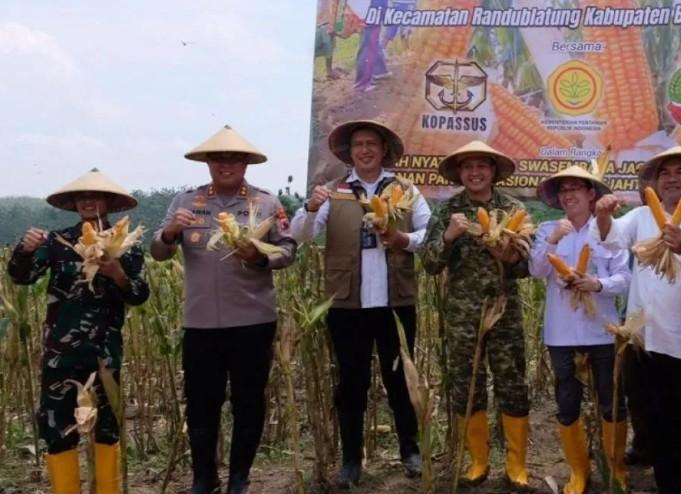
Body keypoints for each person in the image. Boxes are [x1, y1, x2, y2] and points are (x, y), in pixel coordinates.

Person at [150, 125, 296, 494]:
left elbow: (288, 250)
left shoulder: (266, 203)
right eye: (219, 158)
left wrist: (260, 259)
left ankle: (239, 478)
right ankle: (204, 477)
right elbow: (158, 251)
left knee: (248, 400)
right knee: (202, 402)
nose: (226, 164)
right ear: (208, 162)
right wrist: (169, 233)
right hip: (200, 322)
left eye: (234, 158)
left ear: (246, 163)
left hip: (253, 320)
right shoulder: (185, 202)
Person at [291, 120, 429, 487]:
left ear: (384, 150)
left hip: (395, 302)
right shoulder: (333, 192)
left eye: (372, 143)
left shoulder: (405, 189)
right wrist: (307, 207)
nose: (365, 150)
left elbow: (428, 233)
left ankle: (410, 450)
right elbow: (301, 235)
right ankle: (351, 459)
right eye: (358, 145)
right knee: (351, 383)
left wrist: (402, 239)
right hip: (345, 303)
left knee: (400, 379)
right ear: (349, 153)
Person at [591, 146, 681, 494]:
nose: (672, 179)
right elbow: (610, 240)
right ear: (655, 182)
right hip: (649, 344)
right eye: (665, 173)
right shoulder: (641, 217)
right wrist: (603, 215)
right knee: (662, 431)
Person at [7, 168, 149, 494]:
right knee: (58, 429)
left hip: (105, 353)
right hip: (61, 354)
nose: (88, 201)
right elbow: (22, 276)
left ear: (108, 202)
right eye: (82, 196)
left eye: (95, 196)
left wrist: (117, 274)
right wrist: (25, 250)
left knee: (108, 428)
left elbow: (139, 295)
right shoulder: (57, 243)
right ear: (74, 203)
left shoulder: (128, 247)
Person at [420, 140, 531, 489]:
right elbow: (429, 263)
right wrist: (450, 237)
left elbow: (528, 267)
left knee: (512, 380)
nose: (475, 172)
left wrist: (508, 257)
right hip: (462, 315)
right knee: (466, 383)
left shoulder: (513, 208)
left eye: (481, 166)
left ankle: (516, 465)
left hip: (504, 309)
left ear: (493, 171)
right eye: (467, 167)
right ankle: (477, 461)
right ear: (459, 173)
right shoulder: (448, 210)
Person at [529, 165, 631, 494]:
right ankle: (578, 472)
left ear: (591, 195)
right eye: (563, 190)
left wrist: (596, 283)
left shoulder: (608, 230)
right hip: (561, 334)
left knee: (610, 402)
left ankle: (615, 469)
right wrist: (553, 241)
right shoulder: (547, 229)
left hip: (602, 331)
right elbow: (536, 269)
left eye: (576, 188)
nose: (569, 194)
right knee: (567, 401)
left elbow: (624, 279)